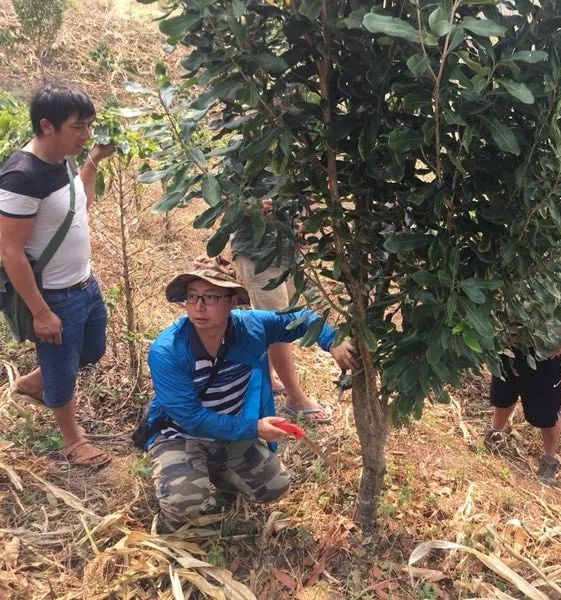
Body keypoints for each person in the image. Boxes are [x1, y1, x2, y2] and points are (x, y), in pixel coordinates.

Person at [140, 259, 357, 532]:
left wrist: (332, 340)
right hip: (180, 436)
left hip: (231, 433)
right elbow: (191, 419)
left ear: (232, 301)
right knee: (186, 502)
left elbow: (302, 319)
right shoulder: (168, 349)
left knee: (275, 485)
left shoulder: (251, 327)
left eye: (211, 297)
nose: (199, 307)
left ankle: (217, 474)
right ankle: (174, 515)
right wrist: (254, 427)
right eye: (192, 297)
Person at [0, 83, 114, 467]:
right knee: (63, 367)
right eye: (78, 127)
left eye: (88, 126)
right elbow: (10, 251)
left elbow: (78, 204)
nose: (86, 135)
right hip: (55, 295)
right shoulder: (21, 176)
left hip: (84, 282)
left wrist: (93, 161)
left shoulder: (62, 158)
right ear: (47, 126)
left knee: (92, 349)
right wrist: (41, 311)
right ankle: (72, 440)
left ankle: (36, 382)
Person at [484, 256, 561, 485]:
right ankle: (495, 434)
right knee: (503, 395)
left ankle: (549, 460)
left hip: (545, 351)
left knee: (547, 413)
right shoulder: (517, 239)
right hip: (507, 340)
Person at [232, 198, 332, 422]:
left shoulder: (294, 163)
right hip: (257, 254)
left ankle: (266, 376)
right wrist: (252, 207)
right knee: (280, 324)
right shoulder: (240, 163)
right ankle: (295, 398)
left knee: (281, 318)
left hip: (290, 255)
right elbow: (223, 198)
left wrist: (310, 216)